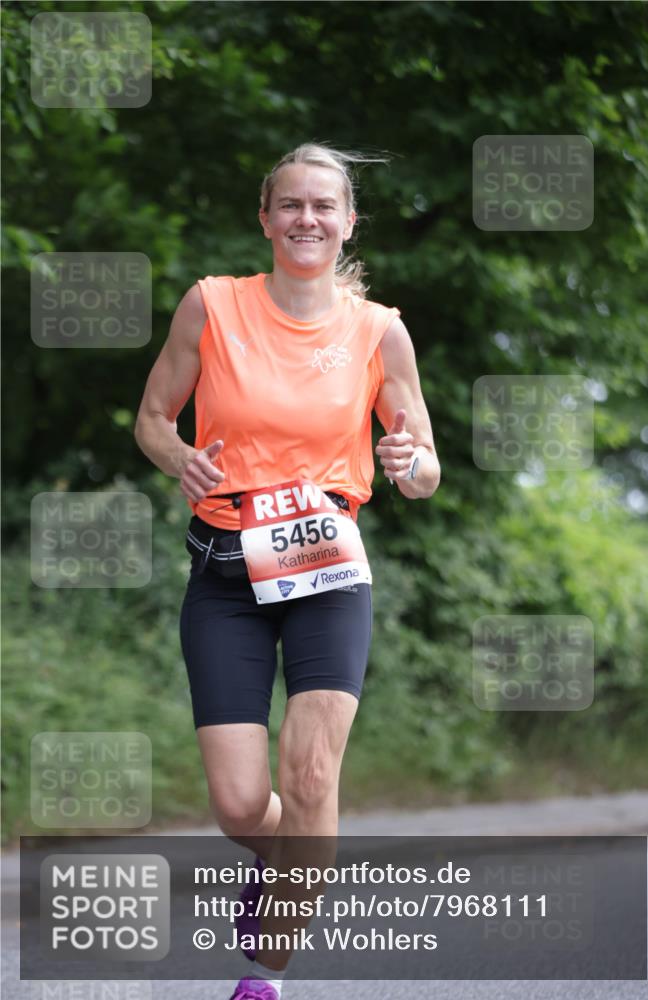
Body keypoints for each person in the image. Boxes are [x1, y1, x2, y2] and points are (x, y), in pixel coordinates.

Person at [134, 142, 440, 999]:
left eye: (324, 206)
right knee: (241, 805)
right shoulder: (212, 306)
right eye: (291, 205)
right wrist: (180, 458)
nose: (307, 219)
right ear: (266, 218)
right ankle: (303, 858)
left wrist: (406, 458)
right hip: (225, 569)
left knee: (310, 777)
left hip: (328, 570)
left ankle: (263, 973)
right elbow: (154, 418)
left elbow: (423, 473)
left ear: (347, 223)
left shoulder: (379, 330)